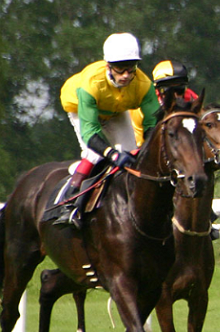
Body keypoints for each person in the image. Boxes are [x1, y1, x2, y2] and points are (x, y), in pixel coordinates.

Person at [52, 33, 159, 228]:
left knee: (131, 152)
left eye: (131, 68)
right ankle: (70, 201)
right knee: (95, 154)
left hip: (116, 111)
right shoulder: (91, 83)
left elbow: (152, 124)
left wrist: (144, 148)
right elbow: (90, 131)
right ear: (108, 65)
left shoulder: (144, 85)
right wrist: (111, 153)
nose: (126, 75)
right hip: (80, 108)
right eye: (120, 68)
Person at [131, 60, 199, 145]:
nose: (175, 96)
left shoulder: (193, 98)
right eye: (168, 92)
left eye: (179, 90)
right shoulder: (143, 106)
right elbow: (140, 145)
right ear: (157, 90)